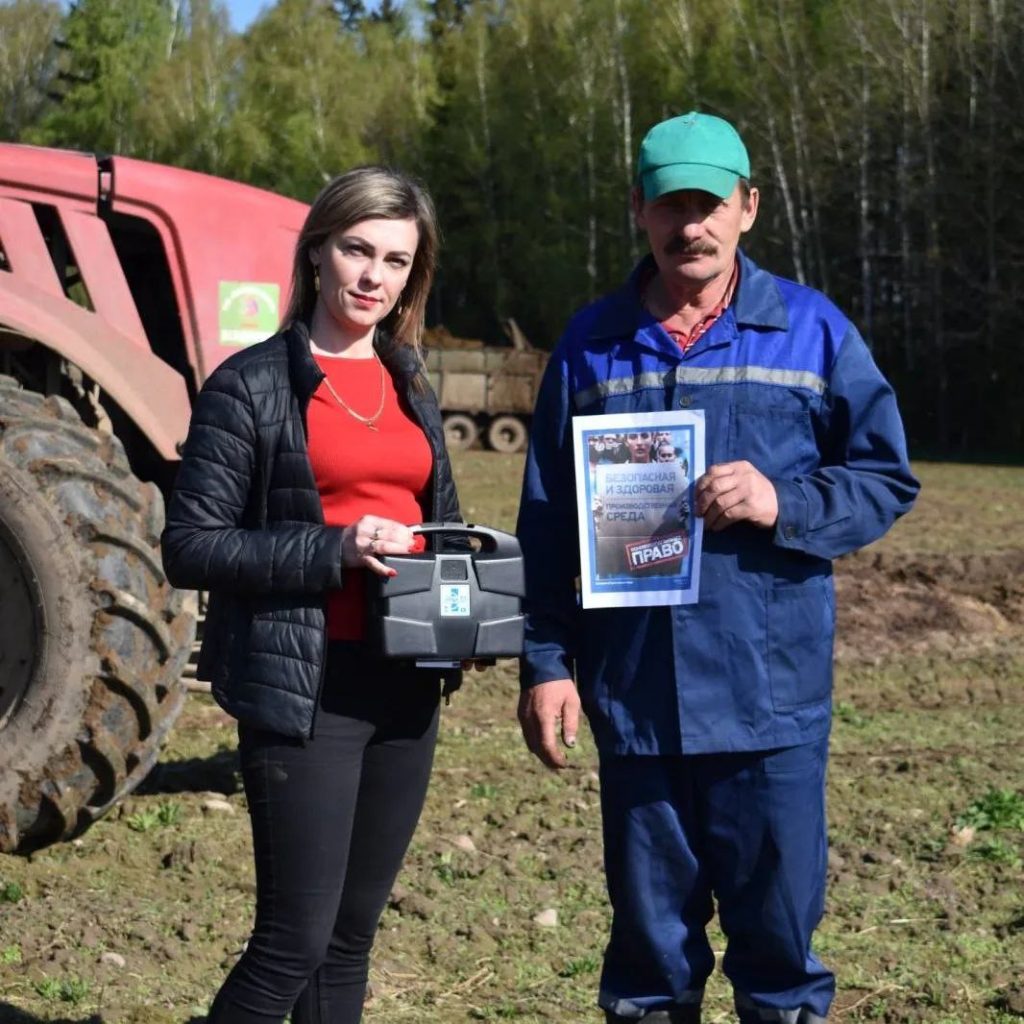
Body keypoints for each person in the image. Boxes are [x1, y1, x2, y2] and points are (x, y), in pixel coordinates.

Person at [515, 112, 919, 1024]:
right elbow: (547, 520)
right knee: (650, 970)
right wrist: (546, 662)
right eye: (669, 205)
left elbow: (886, 478)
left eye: (708, 204)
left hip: (768, 705)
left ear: (748, 207)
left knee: (778, 963)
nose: (688, 225)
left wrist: (787, 503)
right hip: (636, 702)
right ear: (638, 211)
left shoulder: (812, 334)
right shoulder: (591, 344)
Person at [161, 166, 462, 1024]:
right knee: (293, 938)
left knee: (350, 940)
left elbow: (437, 517)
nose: (373, 276)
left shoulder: (410, 382)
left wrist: (469, 595)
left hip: (405, 682)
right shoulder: (250, 385)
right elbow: (191, 545)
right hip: (306, 687)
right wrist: (337, 547)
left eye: (396, 260)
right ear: (318, 253)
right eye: (357, 249)